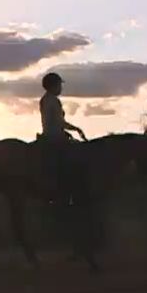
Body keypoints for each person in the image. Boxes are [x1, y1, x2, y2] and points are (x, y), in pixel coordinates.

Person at [38, 72, 87, 200]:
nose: (61, 88)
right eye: (59, 85)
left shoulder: (44, 99)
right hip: (55, 138)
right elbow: (59, 122)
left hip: (49, 135)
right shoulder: (54, 101)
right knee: (77, 159)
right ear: (54, 86)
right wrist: (76, 129)